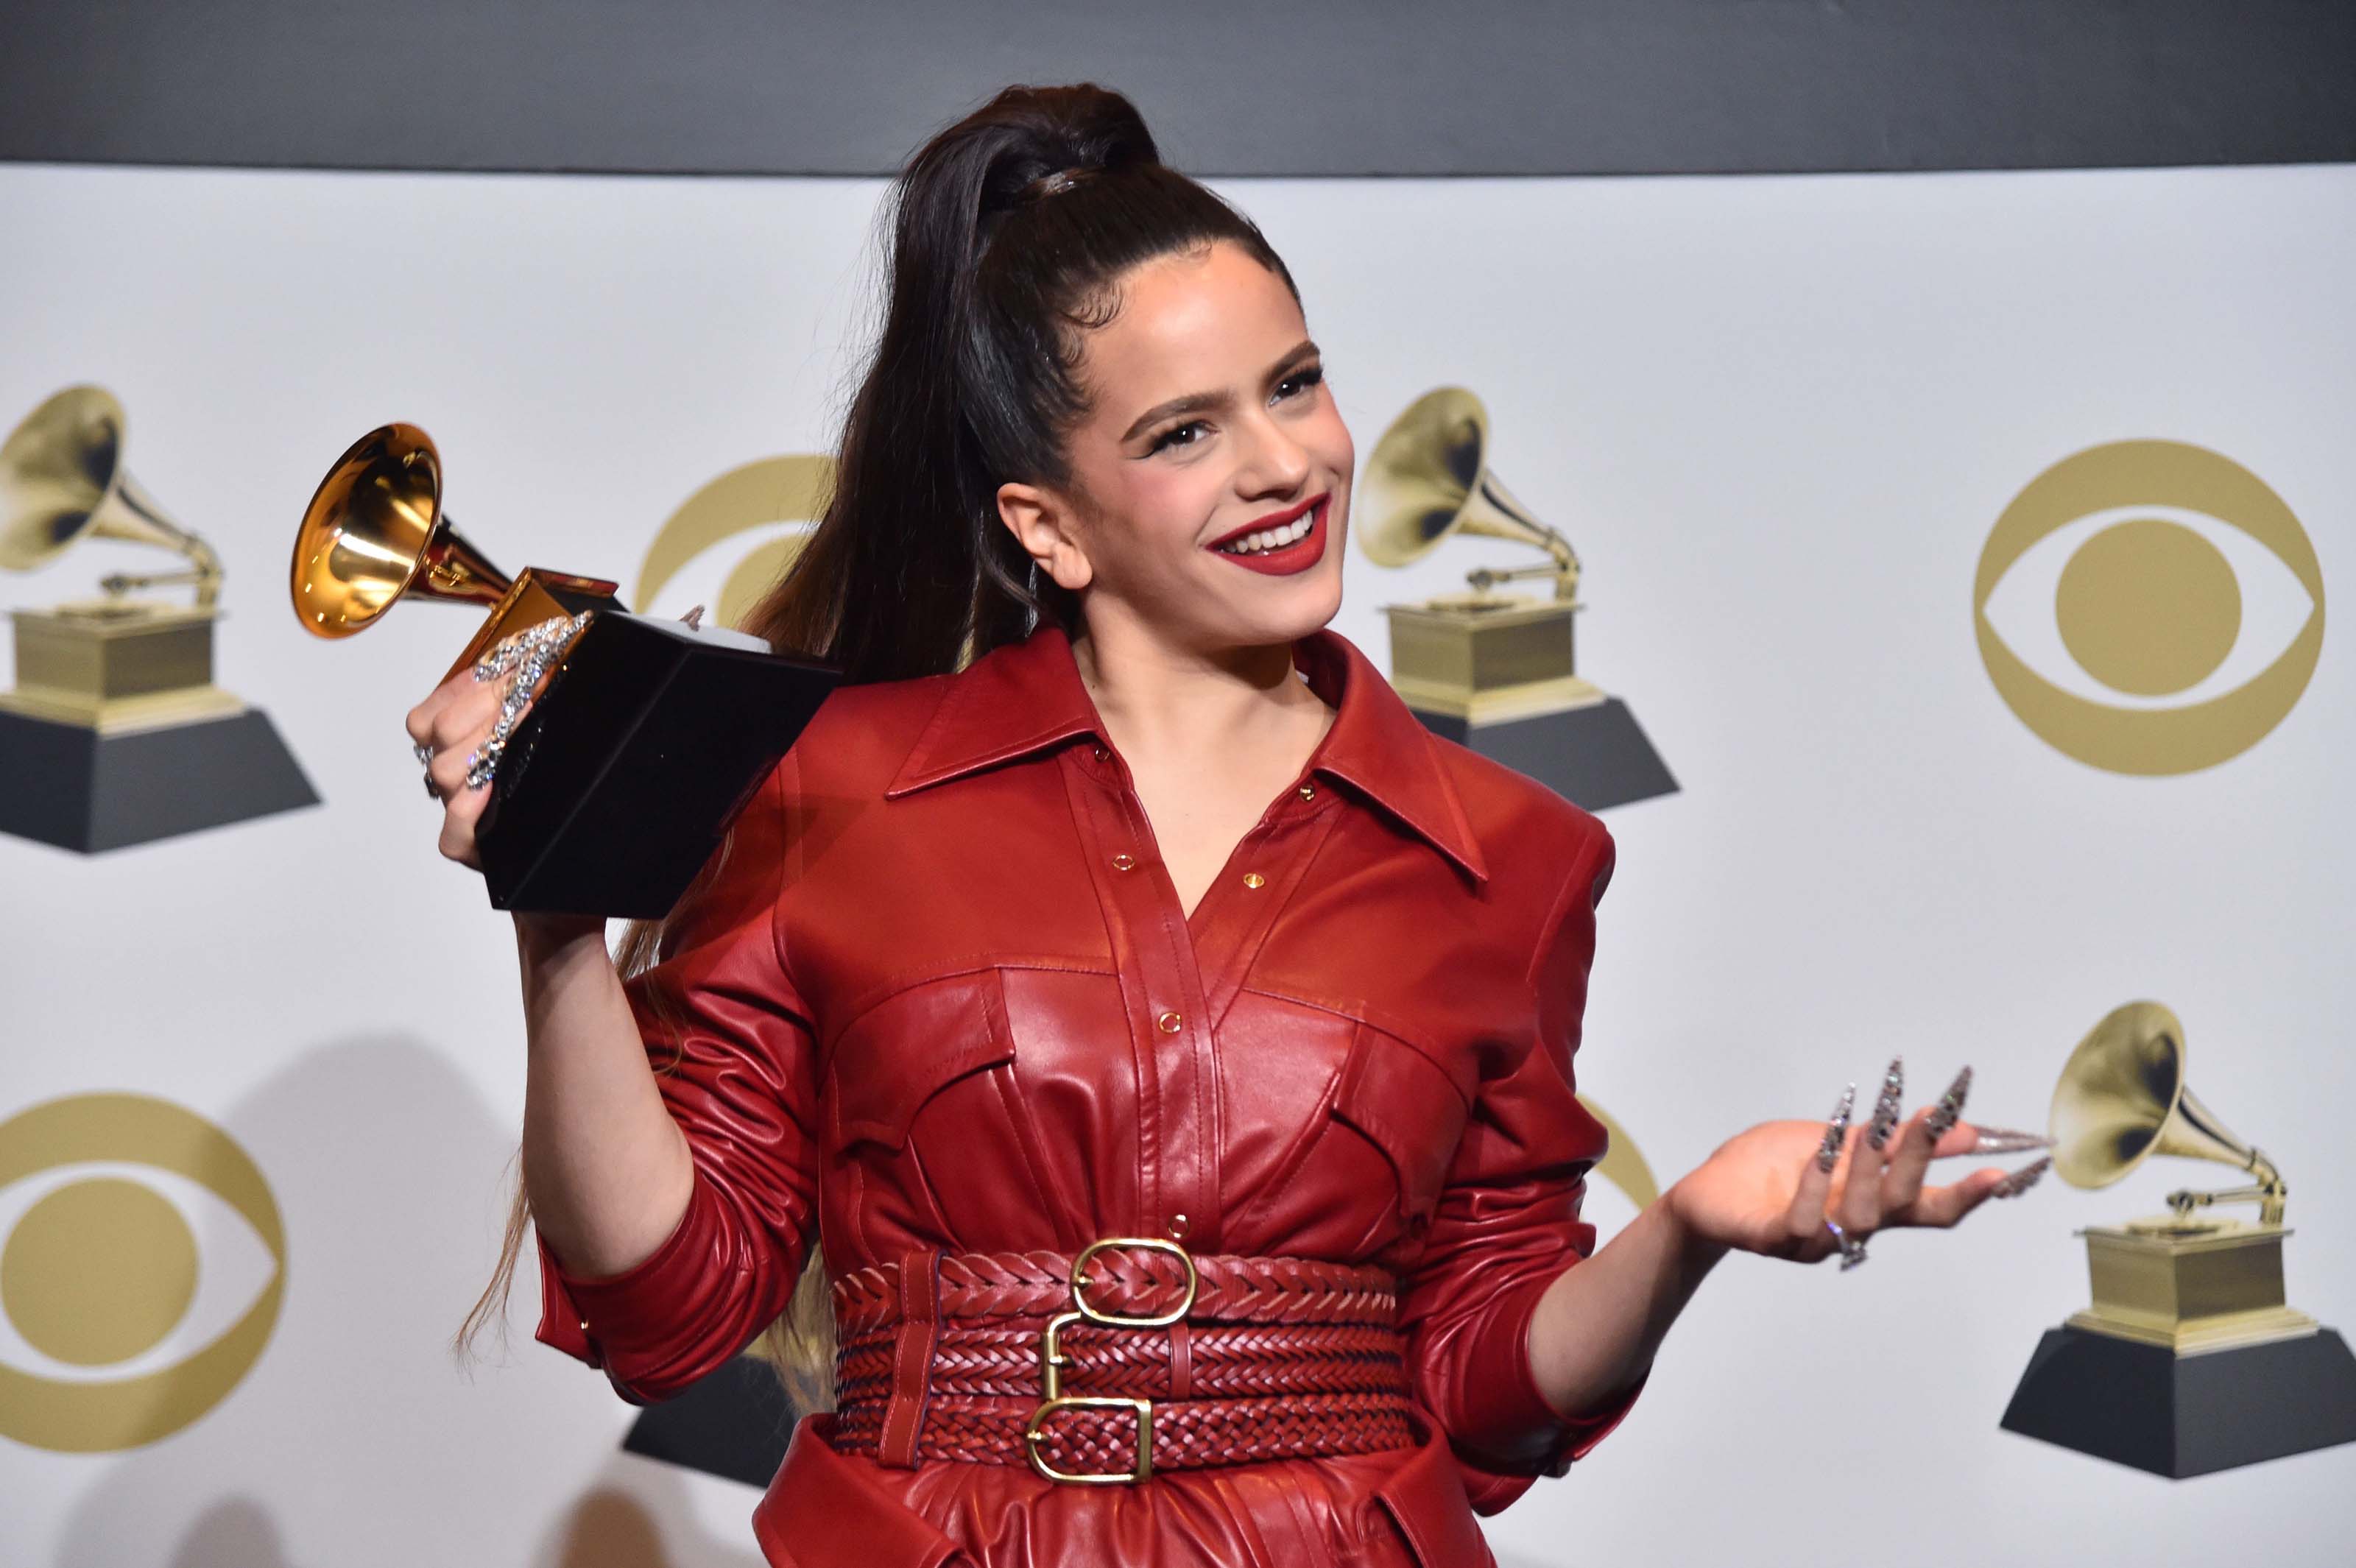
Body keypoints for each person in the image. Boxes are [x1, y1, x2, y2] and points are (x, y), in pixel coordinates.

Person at [406, 82, 2051, 1568]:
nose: (1286, 466)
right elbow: (673, 1313)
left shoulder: (1521, 855)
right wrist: (560, 907)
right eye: (1184, 433)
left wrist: (1693, 1221)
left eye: (1296, 386)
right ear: (1049, 526)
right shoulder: (828, 783)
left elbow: (1479, 1398)